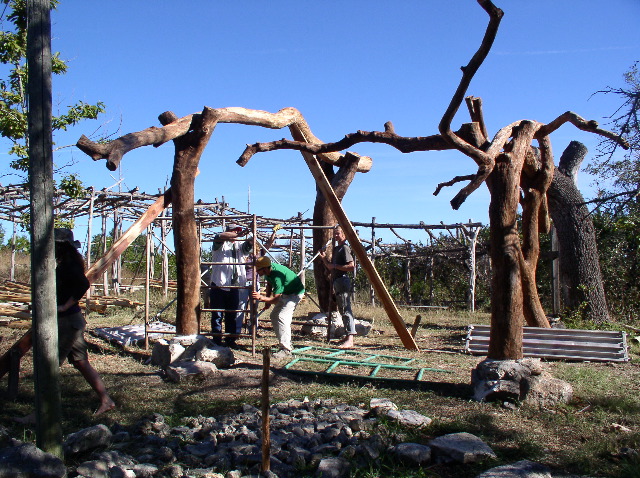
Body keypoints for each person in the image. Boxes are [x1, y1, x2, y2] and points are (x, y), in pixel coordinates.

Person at [55, 227, 115, 415]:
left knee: (48, 365)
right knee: (80, 361)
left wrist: (64, 306)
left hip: (68, 321)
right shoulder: (67, 261)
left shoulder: (69, 264)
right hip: (73, 320)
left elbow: (83, 284)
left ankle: (42, 412)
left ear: (61, 246)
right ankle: (106, 399)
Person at [209, 223, 253, 347]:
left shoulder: (239, 245)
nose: (236, 234)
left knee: (232, 314)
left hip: (235, 285)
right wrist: (238, 234)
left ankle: (230, 340)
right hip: (219, 284)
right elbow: (219, 236)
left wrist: (251, 233)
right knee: (217, 314)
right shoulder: (220, 243)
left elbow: (249, 244)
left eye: (238, 232)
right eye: (234, 231)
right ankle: (217, 340)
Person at [251, 255, 304, 355]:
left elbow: (275, 299)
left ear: (265, 268)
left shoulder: (277, 276)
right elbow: (269, 285)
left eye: (259, 270)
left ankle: (286, 349)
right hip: (286, 293)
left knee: (282, 317)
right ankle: (286, 343)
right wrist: (267, 302)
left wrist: (261, 298)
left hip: (295, 294)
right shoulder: (268, 270)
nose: (257, 272)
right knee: (274, 316)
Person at [319, 225, 356, 349]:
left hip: (342, 280)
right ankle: (347, 335)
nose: (335, 236)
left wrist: (336, 266)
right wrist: (324, 258)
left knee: (346, 309)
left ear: (344, 235)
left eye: (338, 233)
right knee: (342, 309)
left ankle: (350, 338)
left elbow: (351, 266)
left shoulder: (345, 248)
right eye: (334, 234)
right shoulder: (336, 249)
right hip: (337, 280)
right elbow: (330, 267)